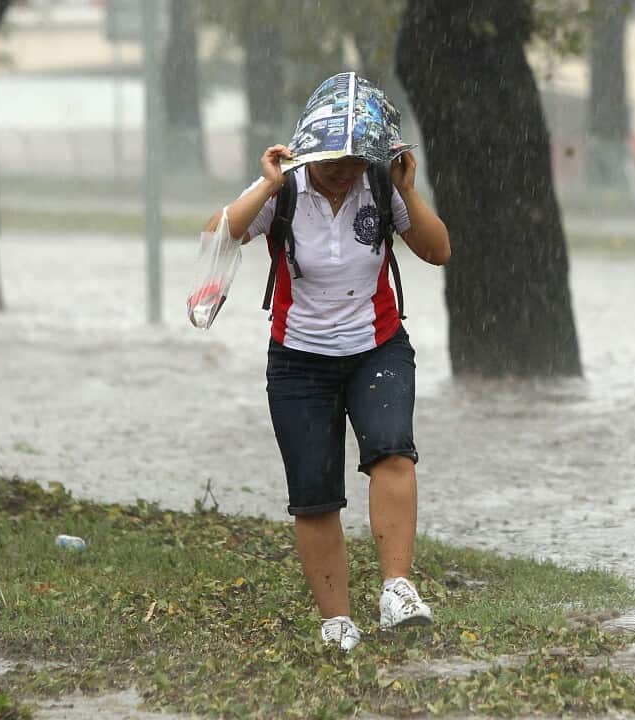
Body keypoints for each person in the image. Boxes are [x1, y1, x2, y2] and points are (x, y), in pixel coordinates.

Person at [204, 77, 450, 654]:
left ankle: (397, 588)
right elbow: (217, 238)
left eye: (354, 161)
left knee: (392, 450)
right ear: (308, 150)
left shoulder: (382, 185)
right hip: (298, 361)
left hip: (378, 347)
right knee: (314, 493)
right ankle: (337, 622)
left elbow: (439, 251)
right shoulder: (283, 187)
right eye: (331, 161)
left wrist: (409, 193)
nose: (341, 171)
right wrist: (263, 189)